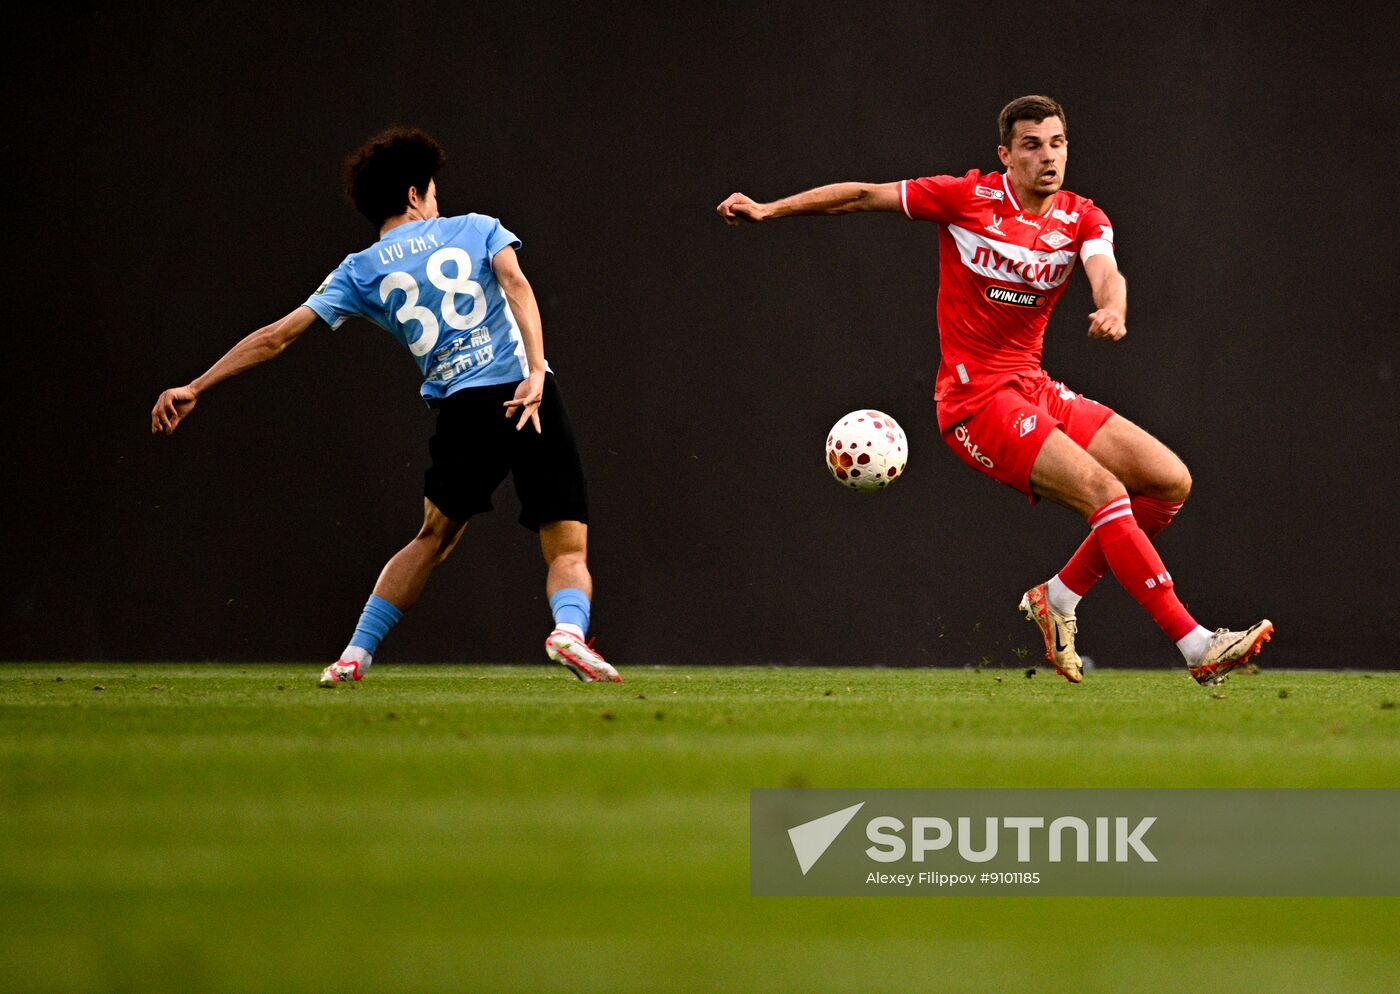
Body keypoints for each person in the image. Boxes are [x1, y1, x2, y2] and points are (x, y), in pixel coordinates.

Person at [716, 95, 1270, 686]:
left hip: (1032, 385)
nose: (1047, 157)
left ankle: (1057, 598)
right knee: (1104, 492)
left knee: (1168, 483)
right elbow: (860, 194)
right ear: (1005, 155)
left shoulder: (1081, 216)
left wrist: (1112, 308)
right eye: (1031, 145)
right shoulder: (965, 198)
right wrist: (770, 210)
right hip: (974, 401)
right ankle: (1196, 645)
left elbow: (1106, 271)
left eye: (1056, 143)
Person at [151, 127, 620, 686]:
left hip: (463, 410)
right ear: (415, 195)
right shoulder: (476, 229)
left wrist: (198, 386)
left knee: (433, 537)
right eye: (433, 191)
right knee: (565, 541)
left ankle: (354, 655)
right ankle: (567, 631)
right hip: (527, 392)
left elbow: (277, 336)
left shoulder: (359, 270)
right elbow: (517, 286)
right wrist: (537, 370)